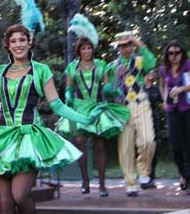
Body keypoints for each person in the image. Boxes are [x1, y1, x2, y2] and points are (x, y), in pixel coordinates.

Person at [0, 24, 101, 214]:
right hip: (2, 140)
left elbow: (57, 105)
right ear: (7, 45)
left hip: (29, 140)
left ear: (30, 43)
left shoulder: (41, 70)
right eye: (13, 41)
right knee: (5, 203)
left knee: (20, 196)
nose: (18, 45)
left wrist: (85, 119)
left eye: (22, 40)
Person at [59, 36, 130, 197]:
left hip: (97, 107)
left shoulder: (101, 65)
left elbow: (106, 86)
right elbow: (69, 88)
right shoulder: (72, 67)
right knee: (80, 141)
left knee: (100, 145)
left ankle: (103, 184)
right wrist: (68, 96)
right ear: (79, 50)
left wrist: (112, 90)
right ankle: (85, 181)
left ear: (92, 49)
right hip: (79, 108)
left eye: (89, 48)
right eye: (83, 48)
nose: (86, 51)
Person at [104, 31, 157, 197]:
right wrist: (116, 79)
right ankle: (130, 182)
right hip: (122, 106)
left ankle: (143, 172)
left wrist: (139, 43)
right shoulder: (111, 66)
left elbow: (152, 63)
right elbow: (106, 90)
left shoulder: (140, 61)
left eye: (128, 44)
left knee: (148, 141)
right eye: (122, 45)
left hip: (141, 102)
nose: (126, 48)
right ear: (118, 47)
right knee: (125, 147)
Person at [158, 40, 190, 195]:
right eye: (171, 53)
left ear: (182, 53)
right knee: (175, 145)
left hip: (189, 108)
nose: (174, 56)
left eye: (177, 52)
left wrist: (181, 89)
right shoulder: (164, 69)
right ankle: (184, 174)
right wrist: (164, 100)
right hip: (173, 109)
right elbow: (162, 85)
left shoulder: (188, 65)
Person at [144, 70, 162, 188]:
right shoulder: (138, 88)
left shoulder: (156, 90)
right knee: (142, 148)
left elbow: (164, 103)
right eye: (147, 71)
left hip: (153, 121)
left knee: (153, 148)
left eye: (152, 72)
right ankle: (143, 176)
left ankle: (151, 176)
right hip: (140, 121)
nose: (150, 73)